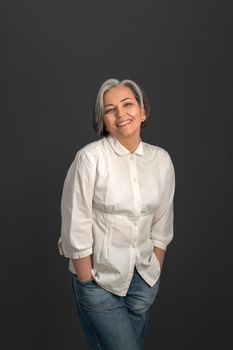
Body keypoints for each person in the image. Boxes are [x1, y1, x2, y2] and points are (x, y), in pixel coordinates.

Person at [58, 78, 175, 350]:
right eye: (110, 109)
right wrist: (86, 280)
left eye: (127, 104)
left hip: (143, 280)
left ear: (143, 111)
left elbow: (162, 222)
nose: (120, 114)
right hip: (99, 281)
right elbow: (76, 221)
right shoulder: (90, 158)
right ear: (104, 120)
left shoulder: (161, 161)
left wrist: (154, 271)